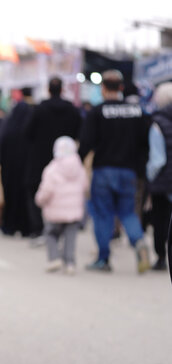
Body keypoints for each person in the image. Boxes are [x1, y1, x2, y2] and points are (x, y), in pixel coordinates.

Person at [78, 70, 151, 273]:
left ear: (103, 88)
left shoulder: (97, 112)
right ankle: (139, 242)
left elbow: (86, 143)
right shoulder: (136, 111)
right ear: (120, 88)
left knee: (103, 215)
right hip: (128, 172)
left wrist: (78, 162)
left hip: (103, 171)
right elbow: (146, 143)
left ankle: (103, 259)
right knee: (128, 213)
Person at [23, 77, 82, 243]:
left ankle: (39, 230)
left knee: (37, 192)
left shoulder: (39, 109)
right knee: (66, 194)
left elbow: (27, 132)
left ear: (48, 89)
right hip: (66, 161)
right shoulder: (72, 110)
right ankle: (62, 229)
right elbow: (80, 133)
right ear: (62, 89)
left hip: (39, 159)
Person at [35, 137, 89, 274]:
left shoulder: (52, 169)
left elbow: (46, 190)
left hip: (54, 211)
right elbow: (85, 187)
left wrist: (40, 200)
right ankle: (70, 263)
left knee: (51, 234)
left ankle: (54, 259)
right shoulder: (79, 168)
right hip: (74, 212)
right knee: (70, 238)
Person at [0, 87, 36, 237]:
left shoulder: (9, 128)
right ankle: (25, 227)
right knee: (23, 198)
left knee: (10, 196)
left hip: (9, 171)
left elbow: (1, 148)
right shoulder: (29, 132)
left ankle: (9, 225)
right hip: (25, 171)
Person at [145, 82, 172, 271]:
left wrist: (149, 178)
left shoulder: (157, 122)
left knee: (160, 220)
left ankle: (161, 256)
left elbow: (157, 159)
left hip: (163, 180)